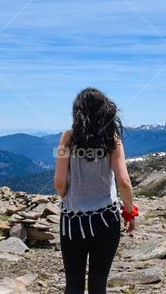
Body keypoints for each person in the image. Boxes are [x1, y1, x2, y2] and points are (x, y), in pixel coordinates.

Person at [54, 87, 137, 294]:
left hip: (73, 221)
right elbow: (124, 182)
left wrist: (70, 197)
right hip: (106, 219)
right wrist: (129, 212)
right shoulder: (112, 139)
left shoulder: (67, 138)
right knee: (98, 284)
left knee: (73, 283)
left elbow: (59, 182)